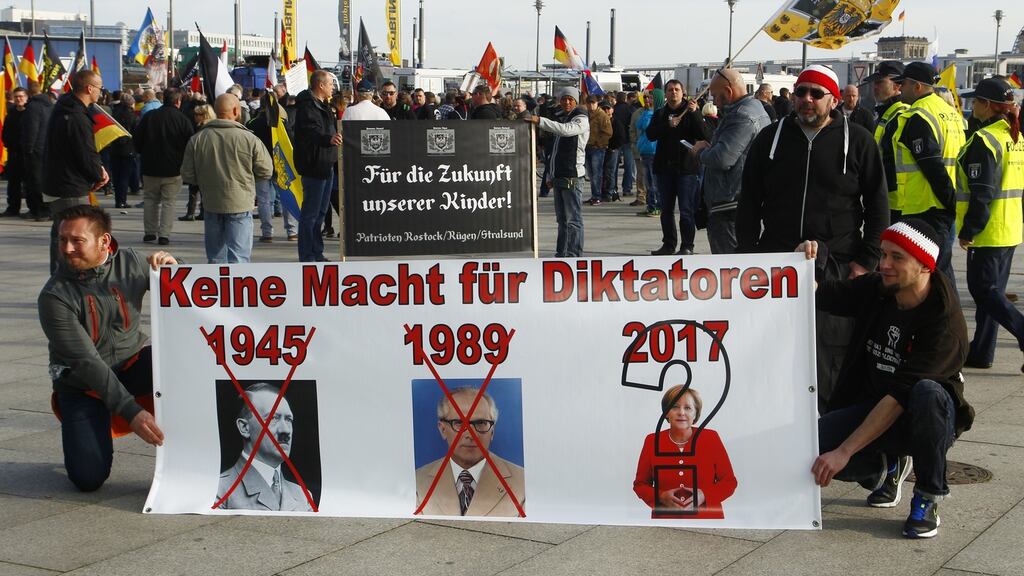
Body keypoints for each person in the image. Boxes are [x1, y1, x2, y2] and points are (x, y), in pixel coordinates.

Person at [804, 219, 974, 539]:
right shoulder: (878, 288)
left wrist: (844, 452)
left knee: (927, 392)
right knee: (808, 447)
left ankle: (927, 496)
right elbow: (823, 294)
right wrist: (800, 264)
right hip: (873, 405)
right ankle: (884, 467)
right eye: (884, 254)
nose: (884, 265)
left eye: (897, 258)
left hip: (922, 417)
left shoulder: (944, 323)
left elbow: (899, 398)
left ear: (925, 266)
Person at [739, 64, 888, 409]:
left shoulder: (860, 142)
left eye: (815, 93)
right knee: (776, 349)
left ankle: (828, 425)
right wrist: (748, 258)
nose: (806, 99)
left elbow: (879, 206)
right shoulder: (770, 139)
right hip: (778, 263)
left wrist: (865, 262)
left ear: (833, 101)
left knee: (830, 354)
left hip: (836, 264)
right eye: (800, 92)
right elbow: (748, 203)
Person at [38, 205, 171, 491]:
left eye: (77, 240)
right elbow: (87, 362)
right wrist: (131, 411)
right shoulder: (54, 296)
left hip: (132, 364)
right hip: (82, 384)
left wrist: (174, 266)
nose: (67, 248)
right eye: (62, 240)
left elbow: (190, 291)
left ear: (104, 241)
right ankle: (90, 429)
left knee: (184, 363)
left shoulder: (131, 263)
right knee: (88, 478)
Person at [954, 76, 1024, 372]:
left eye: (976, 102)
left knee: (983, 291)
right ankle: (982, 352)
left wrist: (970, 229)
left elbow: (983, 191)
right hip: (1009, 228)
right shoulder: (1014, 137)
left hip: (989, 231)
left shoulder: (985, 140)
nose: (972, 106)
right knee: (990, 295)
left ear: (987, 105)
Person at [888, 61, 966, 291]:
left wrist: (950, 202)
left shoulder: (919, 116)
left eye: (904, 84)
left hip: (926, 206)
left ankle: (947, 321)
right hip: (946, 204)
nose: (900, 89)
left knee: (933, 274)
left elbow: (932, 168)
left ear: (918, 87)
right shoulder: (951, 114)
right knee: (941, 270)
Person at [180, 93, 272, 264]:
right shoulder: (249, 138)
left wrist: (205, 181)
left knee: (215, 259)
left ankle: (217, 289)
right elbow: (266, 170)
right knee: (239, 259)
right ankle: (238, 290)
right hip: (240, 203)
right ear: (236, 111)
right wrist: (247, 181)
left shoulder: (198, 139)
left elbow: (187, 174)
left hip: (211, 203)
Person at [691, 67, 771, 254]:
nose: (715, 102)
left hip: (729, 203)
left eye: (716, 96)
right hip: (739, 199)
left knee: (729, 267)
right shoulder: (755, 108)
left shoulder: (741, 116)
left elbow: (722, 158)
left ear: (728, 92)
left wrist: (700, 151)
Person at [415, 387, 525, 517]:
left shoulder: (523, 482)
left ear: (492, 431)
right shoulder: (417, 482)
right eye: (459, 423)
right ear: (443, 429)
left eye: (481, 423)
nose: (470, 434)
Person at [633, 385, 736, 519]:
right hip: (666, 521)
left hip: (707, 520)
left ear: (695, 413)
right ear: (666, 412)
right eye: (675, 406)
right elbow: (640, 485)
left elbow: (729, 482)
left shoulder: (711, 438)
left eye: (687, 408)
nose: (681, 412)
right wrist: (661, 497)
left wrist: (704, 495)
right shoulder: (652, 441)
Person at [44, 70, 110, 272]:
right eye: (99, 88)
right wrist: (98, 175)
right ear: (89, 88)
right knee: (74, 238)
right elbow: (84, 152)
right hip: (70, 187)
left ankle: (60, 279)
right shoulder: (76, 116)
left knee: (61, 235)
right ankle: (68, 282)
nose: (100, 92)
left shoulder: (63, 108)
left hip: (58, 182)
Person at [216, 383, 314, 511]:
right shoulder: (219, 489)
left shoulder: (303, 496)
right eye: (273, 418)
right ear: (245, 428)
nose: (285, 430)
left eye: (289, 420)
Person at [646, 79, 710, 255]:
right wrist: (668, 125)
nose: (673, 93)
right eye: (670, 90)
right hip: (664, 169)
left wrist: (696, 114)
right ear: (665, 94)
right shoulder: (660, 114)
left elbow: (705, 135)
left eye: (677, 90)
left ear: (683, 93)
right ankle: (668, 244)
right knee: (666, 210)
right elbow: (650, 134)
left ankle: (687, 246)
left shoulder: (690, 112)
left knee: (686, 210)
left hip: (686, 170)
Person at [526, 87, 589, 257]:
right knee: (562, 220)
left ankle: (574, 255)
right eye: (563, 99)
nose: (566, 102)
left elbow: (566, 130)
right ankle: (561, 254)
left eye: (570, 99)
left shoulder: (581, 119)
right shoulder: (564, 118)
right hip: (559, 175)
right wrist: (550, 175)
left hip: (573, 176)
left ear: (576, 101)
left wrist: (540, 120)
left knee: (573, 220)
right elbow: (554, 152)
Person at [133, 87, 195, 245]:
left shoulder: (149, 117)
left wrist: (142, 153)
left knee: (150, 200)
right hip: (173, 169)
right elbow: (190, 144)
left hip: (150, 167)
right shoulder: (183, 120)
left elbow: (137, 140)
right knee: (169, 202)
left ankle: (149, 232)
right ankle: (164, 234)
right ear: (178, 102)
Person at [293, 70, 343, 262]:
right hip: (314, 165)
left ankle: (316, 252)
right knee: (310, 214)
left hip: (326, 164)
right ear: (321, 85)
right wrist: (328, 139)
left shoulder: (323, 105)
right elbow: (311, 132)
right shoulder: (308, 106)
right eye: (330, 84)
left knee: (321, 213)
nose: (332, 87)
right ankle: (307, 255)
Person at [248, 92, 298, 243]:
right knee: (286, 198)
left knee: (263, 200)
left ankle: (267, 232)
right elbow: (291, 142)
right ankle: (292, 231)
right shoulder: (282, 123)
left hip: (260, 165)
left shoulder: (253, 123)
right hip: (280, 163)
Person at [865, 61, 909, 223]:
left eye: (880, 82)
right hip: (887, 197)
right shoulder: (886, 112)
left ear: (897, 85)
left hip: (898, 201)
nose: (874, 87)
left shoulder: (901, 114)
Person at [21, 81, 54, 221]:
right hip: (47, 148)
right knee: (44, 180)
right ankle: (44, 209)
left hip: (35, 150)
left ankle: (41, 210)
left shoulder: (33, 107)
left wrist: (28, 149)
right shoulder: (50, 105)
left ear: (28, 92)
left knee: (35, 182)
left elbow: (32, 130)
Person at [108, 93, 139, 209]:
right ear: (131, 103)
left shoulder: (114, 113)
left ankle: (118, 200)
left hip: (115, 148)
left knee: (116, 176)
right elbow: (136, 132)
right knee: (124, 176)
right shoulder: (132, 116)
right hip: (128, 149)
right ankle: (122, 200)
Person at [1, 86, 29, 216]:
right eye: (16, 97)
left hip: (27, 153)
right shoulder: (11, 114)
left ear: (26, 97)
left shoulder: (30, 113)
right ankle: (12, 208)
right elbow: (5, 132)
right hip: (13, 153)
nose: (19, 99)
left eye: (21, 96)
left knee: (29, 183)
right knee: (13, 183)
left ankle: (32, 208)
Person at [630, 92, 658, 215]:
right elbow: (638, 125)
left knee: (653, 181)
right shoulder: (643, 112)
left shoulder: (656, 113)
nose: (646, 99)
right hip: (644, 150)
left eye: (650, 97)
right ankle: (651, 205)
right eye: (645, 97)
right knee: (647, 180)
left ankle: (656, 206)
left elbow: (646, 126)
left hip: (653, 150)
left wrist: (648, 112)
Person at [584, 95, 611, 205]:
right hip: (587, 147)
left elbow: (608, 132)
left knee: (597, 173)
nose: (591, 105)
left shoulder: (602, 115)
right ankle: (594, 195)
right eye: (589, 103)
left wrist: (599, 144)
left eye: (593, 103)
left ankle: (597, 196)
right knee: (591, 174)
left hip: (597, 148)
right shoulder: (586, 115)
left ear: (597, 103)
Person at [601, 101, 625, 202]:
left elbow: (621, 137)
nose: (606, 110)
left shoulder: (616, 122)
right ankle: (604, 192)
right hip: (601, 149)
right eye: (604, 109)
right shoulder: (600, 121)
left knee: (610, 172)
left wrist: (613, 147)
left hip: (612, 150)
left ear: (612, 110)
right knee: (602, 172)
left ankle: (610, 192)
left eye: (608, 108)